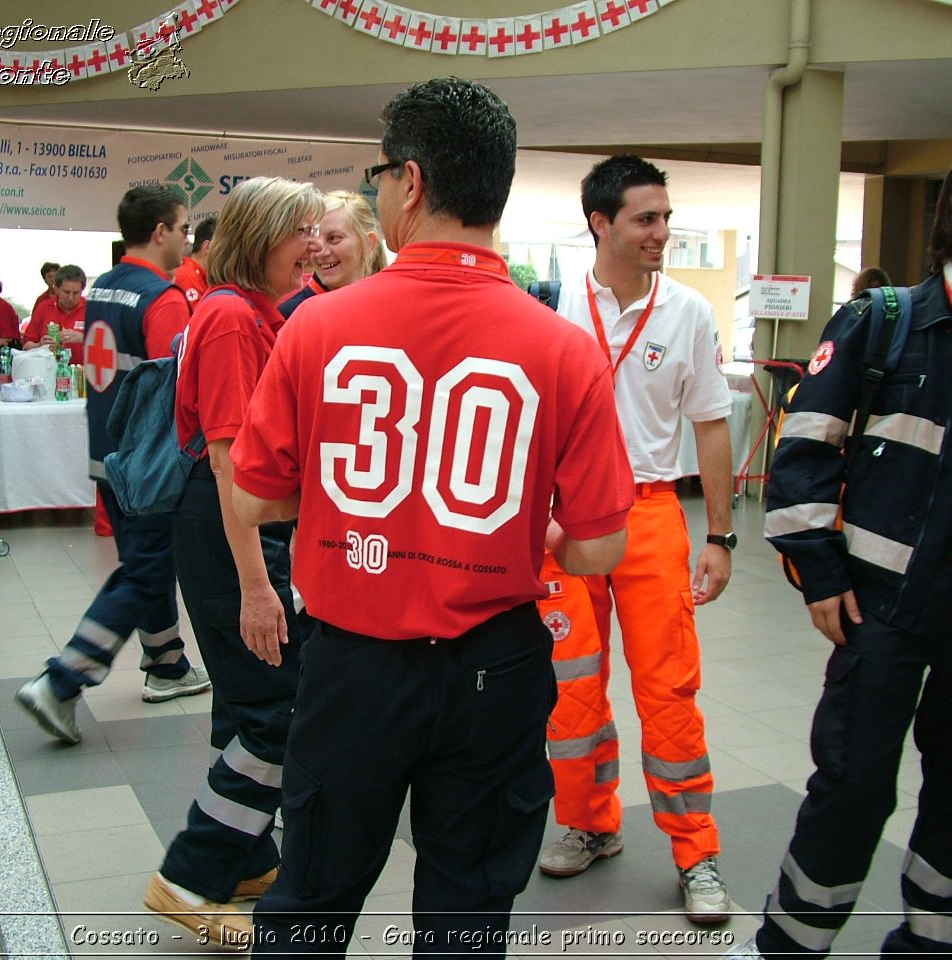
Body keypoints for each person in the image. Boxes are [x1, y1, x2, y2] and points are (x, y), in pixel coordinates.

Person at [229, 77, 633, 956]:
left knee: (312, 901)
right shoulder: (565, 347)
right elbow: (601, 546)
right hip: (496, 665)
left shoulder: (317, 328)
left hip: (354, 670)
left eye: (377, 177)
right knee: (467, 914)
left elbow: (256, 493)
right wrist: (530, 528)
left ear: (410, 182)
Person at [726, 146, 952, 959]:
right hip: (885, 606)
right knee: (855, 787)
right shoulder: (886, 321)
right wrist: (818, 577)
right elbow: (802, 454)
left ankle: (933, 948)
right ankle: (792, 947)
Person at [535, 154, 737, 923]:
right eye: (646, 219)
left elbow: (711, 428)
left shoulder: (686, 312)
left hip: (651, 514)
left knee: (668, 690)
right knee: (572, 688)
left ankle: (698, 852)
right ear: (602, 223)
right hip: (565, 521)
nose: (663, 232)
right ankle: (589, 824)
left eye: (666, 217)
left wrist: (720, 535)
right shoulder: (553, 312)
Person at [141, 177, 324, 946]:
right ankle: (190, 875)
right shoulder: (229, 320)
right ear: (261, 236)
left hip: (237, 528)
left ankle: (248, 858)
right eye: (303, 232)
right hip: (228, 533)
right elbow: (228, 463)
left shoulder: (254, 313)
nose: (316, 247)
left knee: (249, 702)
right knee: (280, 707)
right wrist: (257, 586)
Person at [15, 186, 211, 744]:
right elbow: (174, 390)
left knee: (143, 560)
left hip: (106, 452)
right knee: (145, 569)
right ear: (160, 232)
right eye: (182, 225)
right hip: (147, 463)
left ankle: (167, 662)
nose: (186, 235)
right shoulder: (163, 298)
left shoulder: (103, 287)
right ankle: (62, 680)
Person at [278, 190, 385, 318]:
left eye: (333, 238)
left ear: (368, 243)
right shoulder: (292, 314)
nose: (320, 251)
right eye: (314, 238)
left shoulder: (386, 305)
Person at [23, 264, 87, 363]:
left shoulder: (91, 309)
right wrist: (39, 345)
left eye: (76, 293)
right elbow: (26, 346)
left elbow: (108, 345)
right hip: (49, 373)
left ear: (82, 290)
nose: (70, 298)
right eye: (66, 292)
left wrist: (83, 338)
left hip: (82, 374)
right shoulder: (43, 308)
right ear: (56, 288)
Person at [173, 215, 215, 310]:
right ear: (207, 246)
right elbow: (201, 318)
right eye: (222, 245)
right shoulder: (187, 275)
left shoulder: (204, 276)